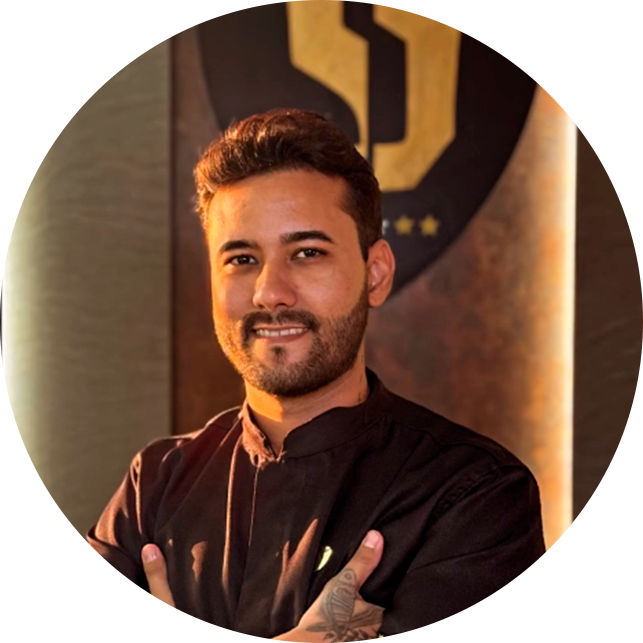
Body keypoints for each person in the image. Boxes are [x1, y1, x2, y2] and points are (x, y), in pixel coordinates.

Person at [37, 109, 546, 643]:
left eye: (307, 253)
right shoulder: (158, 481)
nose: (270, 292)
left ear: (375, 274)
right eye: (241, 259)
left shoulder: (473, 495)